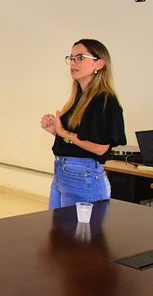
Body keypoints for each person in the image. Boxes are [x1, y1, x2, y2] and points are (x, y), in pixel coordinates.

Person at [40, 39, 126, 209]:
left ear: (99, 64)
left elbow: (100, 147)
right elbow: (81, 138)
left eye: (80, 58)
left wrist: (64, 133)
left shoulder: (105, 100)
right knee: (59, 233)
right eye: (71, 58)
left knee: (81, 234)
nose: (73, 63)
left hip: (83, 176)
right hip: (63, 173)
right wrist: (55, 131)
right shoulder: (79, 97)